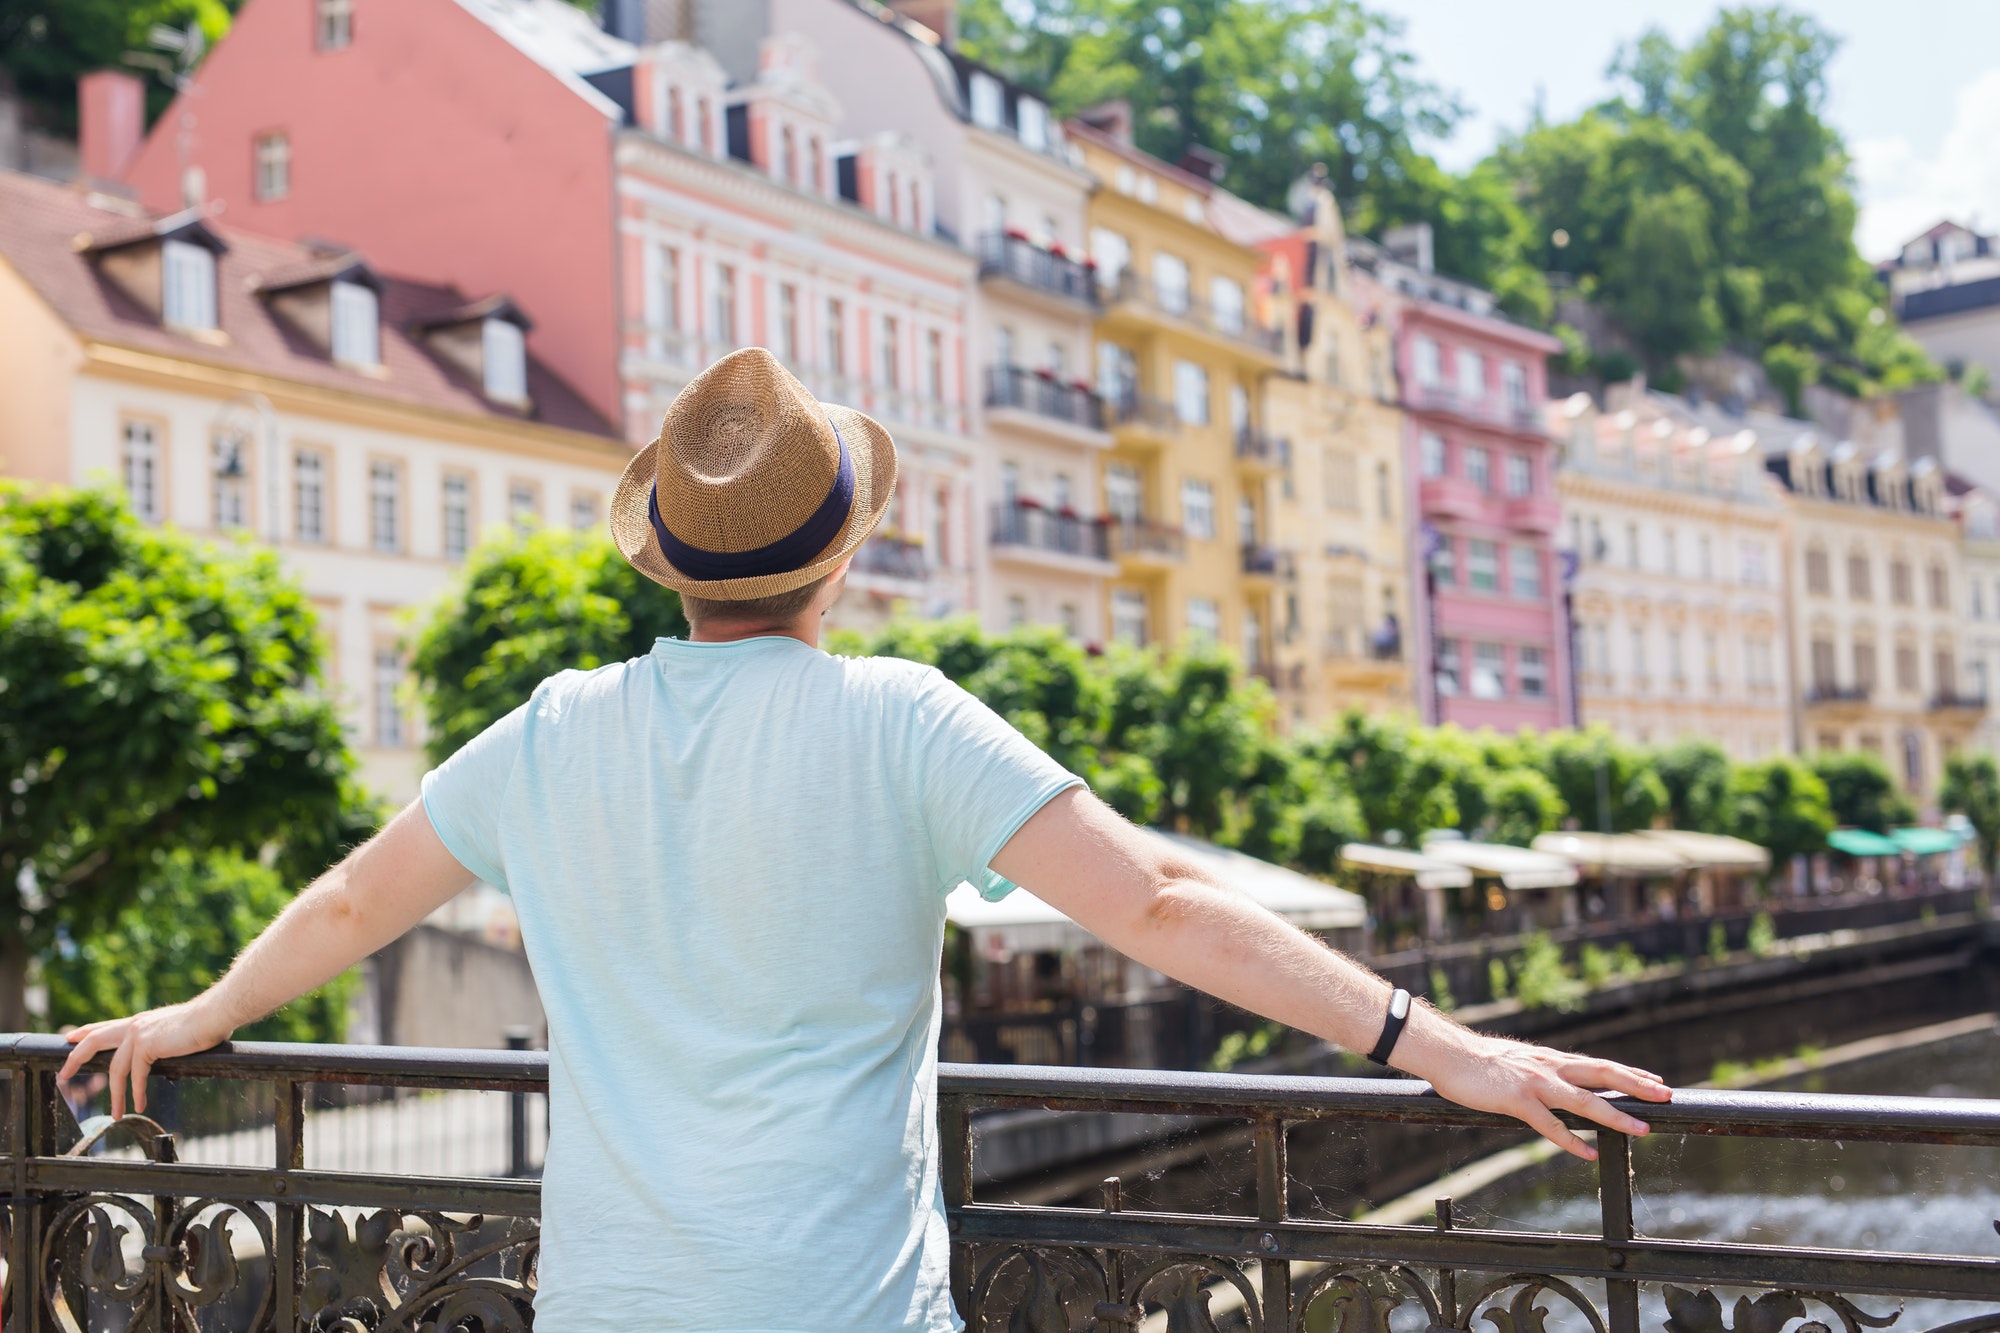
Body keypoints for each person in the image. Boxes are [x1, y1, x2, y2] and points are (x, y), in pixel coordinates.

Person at [61, 350, 1669, 1332]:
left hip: (616, 1310)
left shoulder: (553, 729)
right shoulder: (900, 718)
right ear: (838, 564)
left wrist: (199, 1020)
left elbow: (353, 897)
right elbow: (1165, 905)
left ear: (669, 567)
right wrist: (1425, 1037)